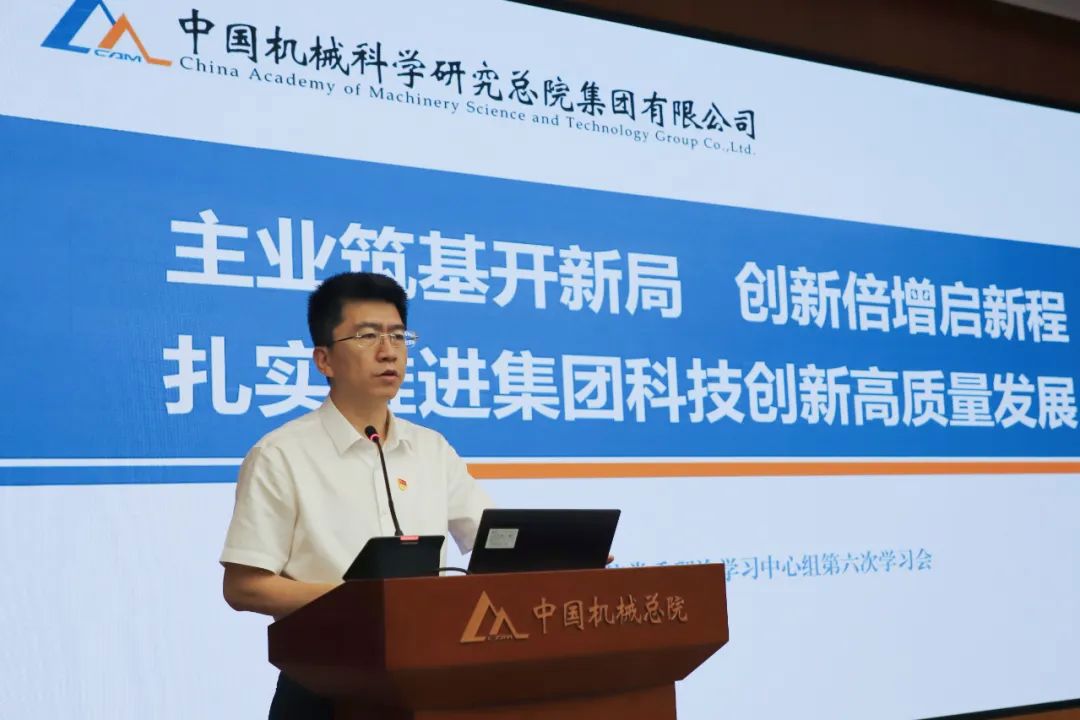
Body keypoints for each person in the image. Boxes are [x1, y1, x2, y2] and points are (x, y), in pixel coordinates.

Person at [219, 271, 493, 718]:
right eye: (367, 336)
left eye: (398, 336)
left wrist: (556, 558)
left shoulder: (431, 449)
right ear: (324, 360)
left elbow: (491, 540)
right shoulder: (281, 455)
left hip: (425, 681)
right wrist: (358, 601)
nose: (389, 351)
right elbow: (243, 586)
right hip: (322, 685)